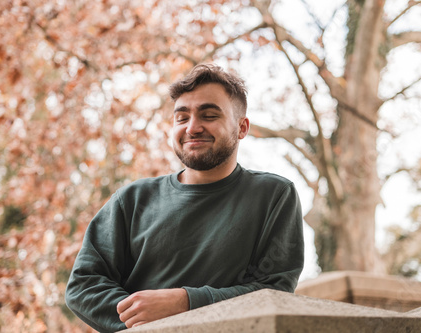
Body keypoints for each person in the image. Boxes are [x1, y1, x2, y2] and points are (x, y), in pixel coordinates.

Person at [65, 63, 304, 332]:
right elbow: (83, 285)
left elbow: (274, 291)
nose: (192, 128)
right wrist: (145, 322)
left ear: (242, 128)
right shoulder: (132, 199)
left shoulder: (273, 196)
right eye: (182, 117)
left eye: (209, 115)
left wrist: (186, 303)